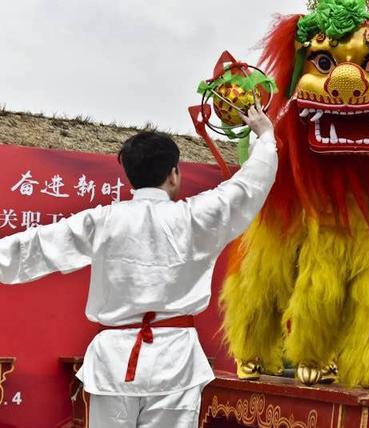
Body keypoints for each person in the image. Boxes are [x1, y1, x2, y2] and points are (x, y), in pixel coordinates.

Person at [0, 106, 277, 427]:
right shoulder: (195, 218)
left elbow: (32, 247)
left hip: (115, 363)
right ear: (174, 174)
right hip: (174, 362)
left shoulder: (103, 221)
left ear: (130, 176)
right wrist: (265, 136)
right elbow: (247, 187)